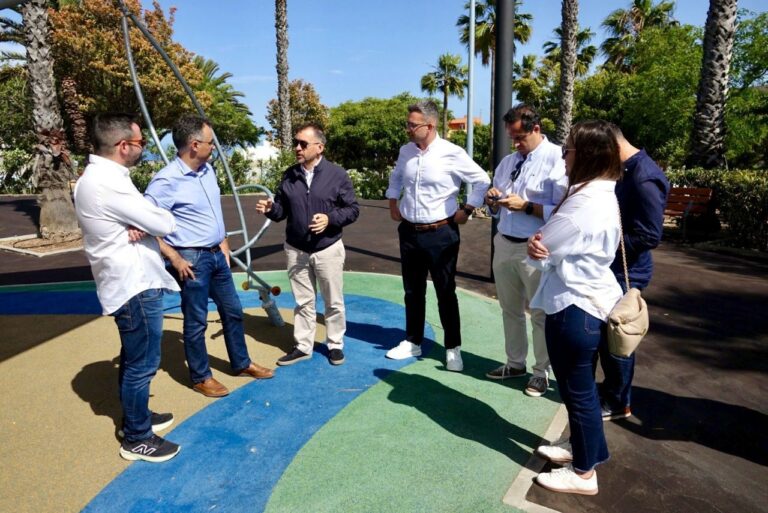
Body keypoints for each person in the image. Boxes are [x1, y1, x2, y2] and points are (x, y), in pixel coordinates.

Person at [74, 113, 181, 462]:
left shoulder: (99, 177)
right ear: (123, 147)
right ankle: (137, 438)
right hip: (133, 285)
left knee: (135, 358)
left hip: (127, 281)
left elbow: (147, 221)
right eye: (141, 144)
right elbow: (164, 221)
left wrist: (141, 222)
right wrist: (147, 222)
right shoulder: (109, 183)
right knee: (143, 363)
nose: (144, 150)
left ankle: (136, 420)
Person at [144, 114, 274, 398]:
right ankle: (201, 376)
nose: (214, 147)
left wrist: (224, 242)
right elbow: (145, 225)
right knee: (196, 320)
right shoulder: (166, 181)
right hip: (192, 260)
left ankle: (241, 362)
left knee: (233, 312)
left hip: (217, 255)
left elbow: (212, 213)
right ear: (193, 145)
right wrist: (175, 259)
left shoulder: (207, 171)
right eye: (210, 142)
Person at [526, 120, 624, 495]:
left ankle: (584, 473)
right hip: (589, 300)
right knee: (579, 389)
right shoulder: (601, 192)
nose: (563, 157)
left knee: (577, 391)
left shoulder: (584, 201)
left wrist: (538, 249)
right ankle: (583, 450)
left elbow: (543, 247)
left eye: (567, 149)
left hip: (574, 305)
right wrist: (542, 249)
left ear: (584, 155)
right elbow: (546, 247)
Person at [384, 100, 490, 371]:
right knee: (412, 290)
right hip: (409, 231)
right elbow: (396, 178)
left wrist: (467, 208)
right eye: (407, 123)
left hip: (441, 233)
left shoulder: (451, 153)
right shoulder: (406, 151)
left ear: (429, 126)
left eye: (412, 125)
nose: (408, 129)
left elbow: (481, 180)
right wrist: (393, 201)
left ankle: (452, 348)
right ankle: (413, 341)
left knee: (445, 291)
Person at [255, 124, 359, 366]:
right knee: (303, 301)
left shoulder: (337, 175)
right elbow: (281, 211)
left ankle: (334, 344)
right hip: (296, 249)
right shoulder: (289, 175)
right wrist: (271, 209)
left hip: (328, 248)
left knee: (333, 301)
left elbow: (352, 210)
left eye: (303, 144)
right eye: (296, 143)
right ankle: (303, 346)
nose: (297, 148)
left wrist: (330, 219)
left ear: (319, 147)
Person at [483, 104, 567, 397]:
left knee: (540, 313)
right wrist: (493, 199)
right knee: (509, 310)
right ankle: (514, 363)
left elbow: (564, 209)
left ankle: (541, 373)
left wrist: (527, 206)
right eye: (512, 138)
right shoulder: (508, 162)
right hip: (504, 242)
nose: (516, 144)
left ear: (536, 129)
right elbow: (496, 206)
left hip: (536, 247)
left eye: (520, 137)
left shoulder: (557, 159)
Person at [600, 124, 669, 420]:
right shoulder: (628, 170)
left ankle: (618, 402)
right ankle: (613, 393)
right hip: (616, 267)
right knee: (608, 337)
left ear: (613, 148)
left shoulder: (642, 177)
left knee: (618, 336)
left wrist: (603, 246)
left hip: (628, 272)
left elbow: (650, 235)